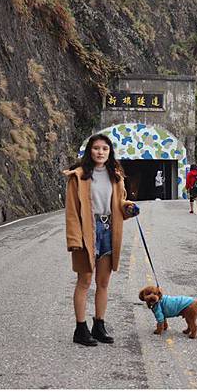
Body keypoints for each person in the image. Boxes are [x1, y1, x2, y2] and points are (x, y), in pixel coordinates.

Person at [63, 133, 139, 347]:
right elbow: (71, 211)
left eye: (104, 149)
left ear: (109, 152)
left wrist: (128, 208)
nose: (100, 152)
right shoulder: (77, 176)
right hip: (87, 231)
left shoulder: (116, 175)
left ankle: (99, 324)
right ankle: (80, 328)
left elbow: (119, 203)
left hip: (109, 230)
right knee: (85, 281)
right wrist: (74, 238)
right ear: (90, 151)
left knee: (103, 283)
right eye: (96, 148)